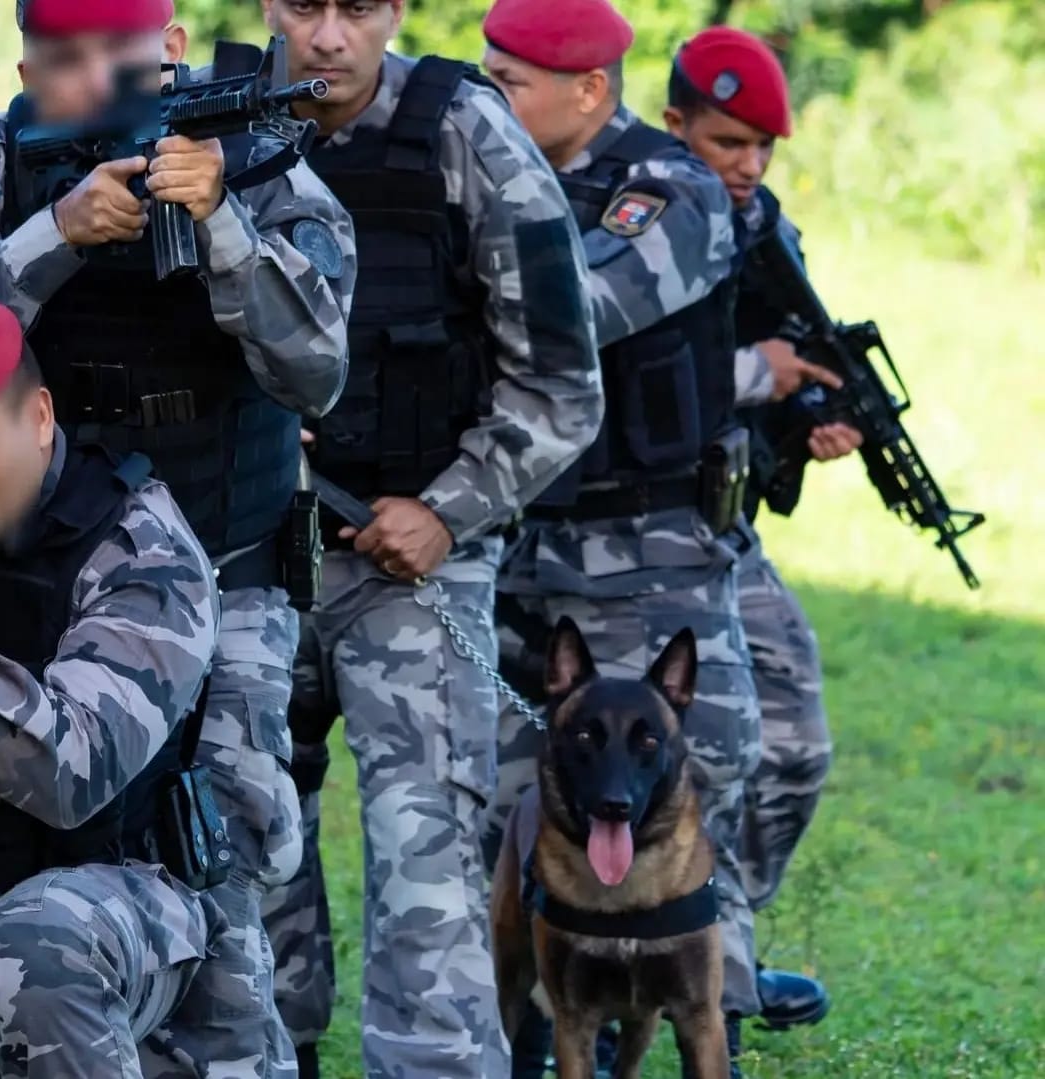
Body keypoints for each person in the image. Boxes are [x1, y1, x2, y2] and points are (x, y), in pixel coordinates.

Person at [0, 1, 356, 1074]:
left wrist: (221, 222)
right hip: (28, 570)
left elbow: (317, 371)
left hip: (223, 575)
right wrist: (52, 237)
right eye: (65, 61)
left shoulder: (266, 167)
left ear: (173, 50)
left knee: (218, 846)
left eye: (122, 56)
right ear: (25, 73)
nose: (97, 83)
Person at [255, 1, 605, 1076]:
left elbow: (561, 383)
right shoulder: (220, 125)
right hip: (245, 559)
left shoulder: (466, 131)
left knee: (427, 862)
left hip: (408, 564)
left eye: (357, 8)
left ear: (396, 11)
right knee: (241, 848)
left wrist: (449, 508)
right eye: (303, 5)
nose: (327, 36)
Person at [479, 0, 764, 1074]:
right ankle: (532, 1037)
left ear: (589, 91)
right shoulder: (496, 172)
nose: (488, 99)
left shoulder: (669, 191)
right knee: (501, 820)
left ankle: (703, 1008)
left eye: (509, 82)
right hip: (515, 555)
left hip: (647, 565)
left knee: (684, 796)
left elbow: (573, 314)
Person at [665, 25, 865, 1031]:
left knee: (792, 747)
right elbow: (611, 370)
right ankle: (646, 971)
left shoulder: (760, 227)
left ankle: (716, 945)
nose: (747, 166)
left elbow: (764, 388)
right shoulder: (635, 209)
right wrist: (759, 377)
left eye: (762, 148)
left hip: (719, 528)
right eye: (726, 142)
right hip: (611, 532)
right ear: (675, 126)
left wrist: (801, 425)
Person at [0, 295, 224, 1078]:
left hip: (116, 906)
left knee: (30, 949)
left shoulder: (142, 549)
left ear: (40, 418)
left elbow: (75, 770)